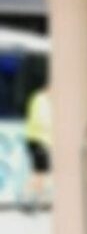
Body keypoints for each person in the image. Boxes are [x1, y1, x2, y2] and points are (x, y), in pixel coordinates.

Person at [22, 82, 52, 211]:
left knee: (41, 171)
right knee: (38, 172)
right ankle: (27, 199)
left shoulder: (38, 99)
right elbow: (44, 121)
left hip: (37, 140)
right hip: (38, 140)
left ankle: (39, 201)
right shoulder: (41, 100)